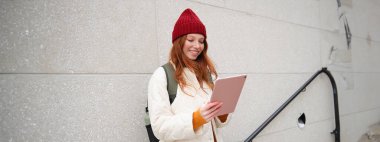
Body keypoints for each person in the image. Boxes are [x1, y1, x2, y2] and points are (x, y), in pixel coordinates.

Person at [148, 8, 230, 142]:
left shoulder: (208, 75)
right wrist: (196, 119)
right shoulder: (162, 75)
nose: (197, 46)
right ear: (178, 42)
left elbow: (217, 123)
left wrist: (223, 113)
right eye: (190, 40)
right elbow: (160, 128)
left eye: (201, 41)